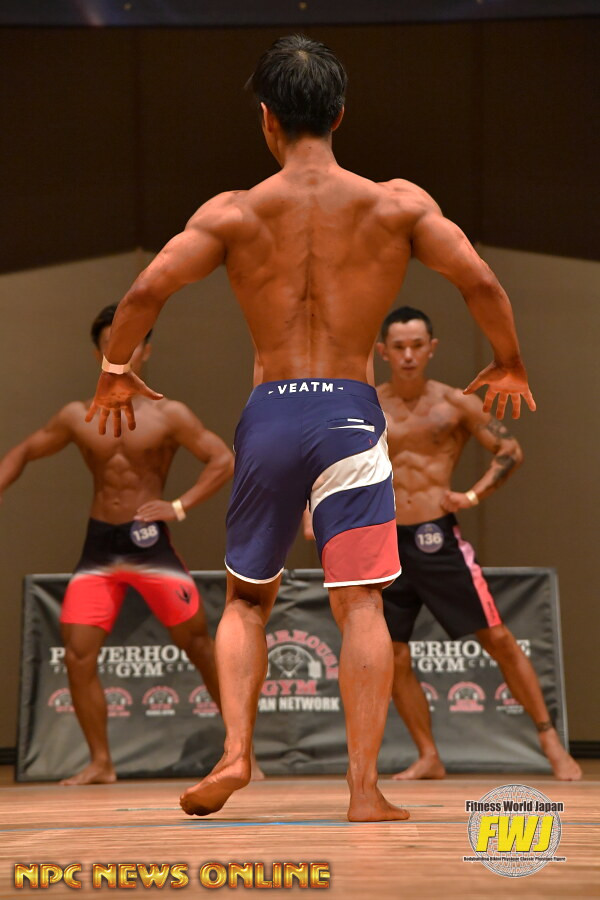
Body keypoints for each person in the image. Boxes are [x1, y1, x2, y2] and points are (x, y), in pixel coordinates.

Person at [84, 36, 536, 821]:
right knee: (360, 604)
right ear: (340, 114)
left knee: (245, 601)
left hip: (271, 414)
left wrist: (115, 369)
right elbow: (480, 280)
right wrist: (509, 362)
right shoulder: (396, 204)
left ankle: (236, 753)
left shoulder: (233, 211)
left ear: (267, 119)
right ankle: (363, 791)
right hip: (350, 415)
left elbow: (148, 288)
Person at [0, 304, 235, 785]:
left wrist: (180, 506)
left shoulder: (170, 414)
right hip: (100, 548)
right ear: (98, 354)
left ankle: (238, 750)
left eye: (130, 343)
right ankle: (101, 763)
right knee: (78, 653)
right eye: (111, 344)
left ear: (146, 350)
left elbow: (222, 459)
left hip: (151, 546)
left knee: (198, 644)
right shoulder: (76, 415)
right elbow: (25, 450)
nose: (120, 352)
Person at [376, 306, 581, 781]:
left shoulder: (455, 403)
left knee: (497, 637)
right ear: (383, 351)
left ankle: (550, 741)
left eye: (417, 345)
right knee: (394, 653)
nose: (408, 356)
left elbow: (510, 450)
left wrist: (471, 496)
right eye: (399, 347)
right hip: (384, 539)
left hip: (435, 537)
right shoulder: (368, 405)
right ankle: (428, 755)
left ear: (432, 348)